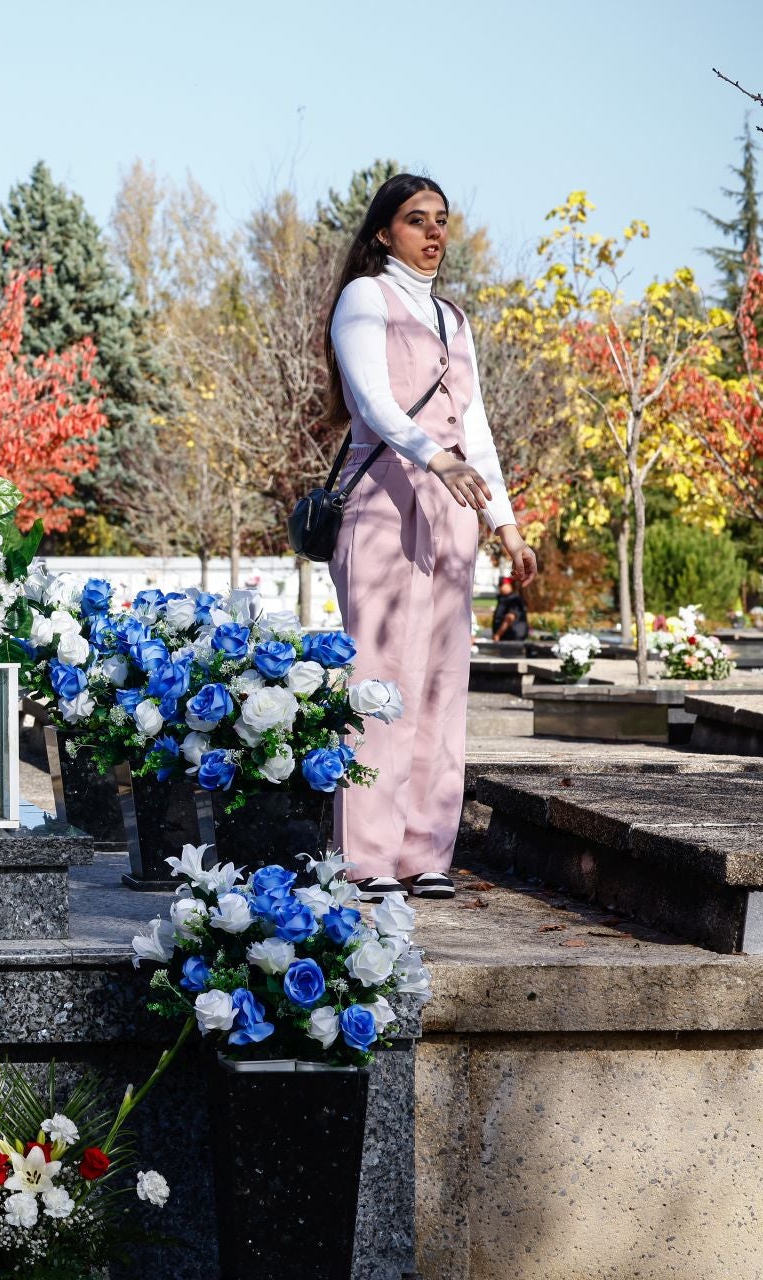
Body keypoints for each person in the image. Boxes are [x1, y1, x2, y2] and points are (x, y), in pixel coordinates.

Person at [324, 173, 538, 901]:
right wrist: (434, 458)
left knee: (445, 682)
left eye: (442, 219)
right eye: (417, 220)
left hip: (452, 511)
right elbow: (376, 401)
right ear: (385, 232)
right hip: (385, 503)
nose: (434, 232)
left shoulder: (454, 318)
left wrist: (505, 526)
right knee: (380, 681)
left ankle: (427, 850)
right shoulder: (364, 297)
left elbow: (474, 427)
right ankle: (368, 857)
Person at [491, 575, 530, 641]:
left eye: (501, 585)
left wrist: (498, 634)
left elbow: (509, 618)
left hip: (513, 637)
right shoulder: (504, 598)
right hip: (506, 638)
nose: (499, 587)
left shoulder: (513, 599)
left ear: (509, 585)